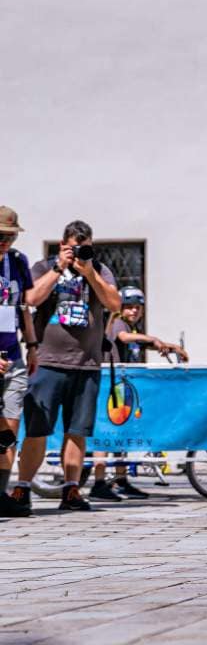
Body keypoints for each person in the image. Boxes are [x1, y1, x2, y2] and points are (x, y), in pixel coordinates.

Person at [9, 220, 119, 514]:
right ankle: (23, 487)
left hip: (86, 364)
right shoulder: (44, 267)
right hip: (48, 362)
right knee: (37, 429)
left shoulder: (99, 270)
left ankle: (71, 489)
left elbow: (115, 304)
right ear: (62, 245)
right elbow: (30, 299)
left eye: (85, 247)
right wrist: (60, 268)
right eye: (73, 247)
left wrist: (90, 274)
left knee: (77, 430)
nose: (79, 252)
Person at [89, 285, 188, 502]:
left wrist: (170, 347)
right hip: (110, 385)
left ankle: (120, 480)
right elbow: (123, 338)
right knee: (106, 434)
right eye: (130, 307)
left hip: (122, 387)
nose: (134, 311)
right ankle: (98, 483)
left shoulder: (133, 328)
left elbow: (143, 344)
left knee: (121, 434)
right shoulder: (117, 322)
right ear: (121, 308)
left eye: (138, 307)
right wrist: (153, 338)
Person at [0, 207, 37, 518]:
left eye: (9, 237)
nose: (4, 243)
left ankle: (1, 491)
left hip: (13, 357)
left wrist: (33, 345)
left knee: (8, 433)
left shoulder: (17, 262)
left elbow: (24, 306)